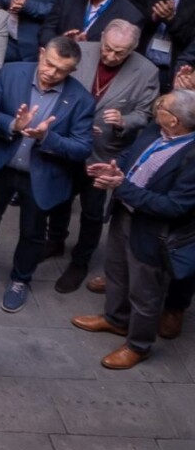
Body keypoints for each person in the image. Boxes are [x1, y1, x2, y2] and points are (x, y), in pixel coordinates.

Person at [0, 37, 93, 311]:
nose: (51, 72)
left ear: (71, 71)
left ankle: (20, 279)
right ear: (41, 53)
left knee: (33, 232)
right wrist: (12, 123)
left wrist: (48, 137)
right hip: (0, 164)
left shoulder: (81, 100)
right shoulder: (12, 73)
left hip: (42, 175)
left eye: (61, 70)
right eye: (49, 63)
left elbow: (82, 147)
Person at [74, 90, 195, 370]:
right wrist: (114, 167)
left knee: (145, 293)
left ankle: (138, 345)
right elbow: (134, 151)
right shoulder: (156, 128)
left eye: (162, 105)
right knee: (116, 270)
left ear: (174, 121)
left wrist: (121, 186)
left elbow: (175, 206)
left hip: (154, 232)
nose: (157, 105)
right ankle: (115, 320)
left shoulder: (191, 157)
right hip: (124, 214)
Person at [60, 22, 159, 294]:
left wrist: (123, 121)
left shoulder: (146, 71)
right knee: (58, 199)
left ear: (132, 50)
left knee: (92, 212)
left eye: (119, 53)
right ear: (101, 38)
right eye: (108, 48)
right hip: (70, 145)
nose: (111, 56)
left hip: (105, 153)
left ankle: (80, 261)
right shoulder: (81, 51)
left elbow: (146, 114)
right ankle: (55, 241)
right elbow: (60, 87)